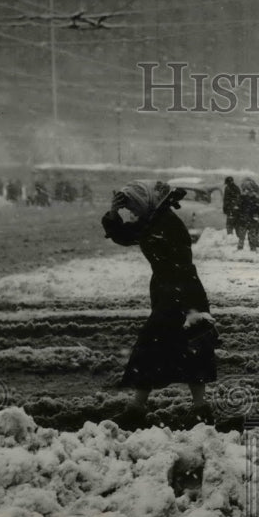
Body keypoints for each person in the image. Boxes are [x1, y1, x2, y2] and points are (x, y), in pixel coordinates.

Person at [102, 180, 216, 430]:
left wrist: (186, 306)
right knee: (183, 350)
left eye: (132, 207)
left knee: (159, 348)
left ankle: (139, 410)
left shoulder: (165, 223)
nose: (131, 213)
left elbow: (181, 262)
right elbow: (125, 235)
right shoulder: (153, 220)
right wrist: (113, 214)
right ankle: (199, 410)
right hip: (170, 292)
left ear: (143, 202)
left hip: (181, 292)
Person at [236, 177, 259, 251]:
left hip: (245, 218)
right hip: (251, 219)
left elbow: (238, 208)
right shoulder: (254, 197)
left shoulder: (242, 197)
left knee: (243, 236)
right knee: (251, 235)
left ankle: (241, 249)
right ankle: (252, 249)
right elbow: (258, 208)